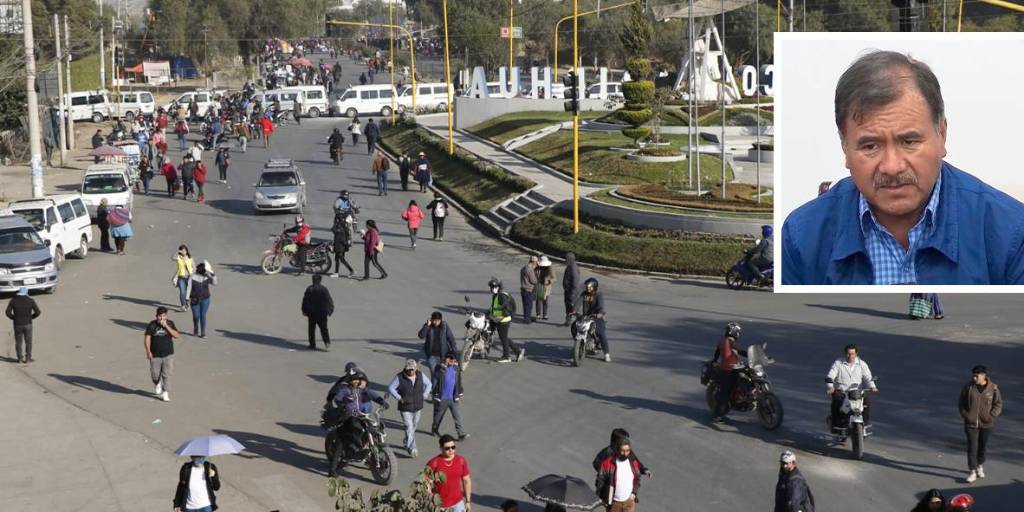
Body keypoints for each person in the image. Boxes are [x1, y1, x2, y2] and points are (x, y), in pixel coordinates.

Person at [781, 50, 1024, 285]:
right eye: (870, 146)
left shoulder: (1010, 232)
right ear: (845, 147)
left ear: (942, 134)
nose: (892, 167)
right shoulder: (801, 238)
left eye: (909, 142)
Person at [330, 370, 388, 460]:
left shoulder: (363, 390)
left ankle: (369, 448)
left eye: (359, 380)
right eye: (355, 380)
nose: (357, 381)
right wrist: (342, 405)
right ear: (350, 380)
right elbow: (338, 399)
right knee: (357, 429)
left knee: (376, 426)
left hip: (363, 415)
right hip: (350, 416)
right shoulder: (346, 390)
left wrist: (382, 401)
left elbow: (373, 394)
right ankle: (353, 450)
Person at [959, 365, 1002, 483]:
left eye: (976, 376)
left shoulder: (993, 388)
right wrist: (966, 415)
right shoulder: (968, 387)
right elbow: (961, 403)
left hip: (987, 424)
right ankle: (972, 471)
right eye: (973, 376)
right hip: (971, 424)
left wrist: (991, 416)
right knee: (972, 447)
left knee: (982, 447)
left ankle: (979, 465)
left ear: (983, 375)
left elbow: (998, 404)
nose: (974, 378)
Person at [388, 359, 433, 458]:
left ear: (416, 368)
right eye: (409, 369)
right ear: (405, 368)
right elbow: (391, 388)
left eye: (412, 369)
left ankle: (406, 441)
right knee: (409, 426)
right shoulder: (399, 377)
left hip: (417, 406)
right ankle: (412, 448)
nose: (411, 371)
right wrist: (399, 397)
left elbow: (429, 384)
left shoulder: (420, 375)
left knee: (414, 425)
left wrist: (425, 394)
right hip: (405, 407)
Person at [826, 343, 878, 429]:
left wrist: (872, 386)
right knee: (836, 401)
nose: (850, 356)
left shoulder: (862, 364)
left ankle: (864, 424)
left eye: (852, 354)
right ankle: (835, 424)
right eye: (848, 354)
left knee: (867, 401)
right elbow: (830, 376)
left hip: (857, 393)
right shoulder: (838, 363)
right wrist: (830, 387)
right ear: (845, 353)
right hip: (842, 392)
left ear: (856, 354)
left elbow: (868, 377)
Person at [710, 322, 748, 423]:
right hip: (728, 370)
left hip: (732, 368)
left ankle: (738, 400)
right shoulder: (730, 341)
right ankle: (717, 415)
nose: (738, 334)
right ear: (734, 332)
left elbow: (717, 352)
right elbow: (739, 351)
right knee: (725, 393)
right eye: (738, 332)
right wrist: (749, 354)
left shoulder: (722, 340)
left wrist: (714, 360)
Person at [594, 437, 643, 512]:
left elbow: (637, 478)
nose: (625, 454)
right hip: (614, 505)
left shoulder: (633, 462)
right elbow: (600, 480)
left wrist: (634, 493)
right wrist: (603, 498)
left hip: (629, 503)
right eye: (622, 451)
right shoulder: (607, 463)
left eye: (627, 451)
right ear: (617, 450)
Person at [426, 435, 472, 512]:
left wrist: (468, 501)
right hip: (440, 506)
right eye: (447, 448)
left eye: (453, 447)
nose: (451, 450)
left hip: (458, 503)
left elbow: (466, 480)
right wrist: (433, 503)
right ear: (441, 448)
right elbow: (426, 484)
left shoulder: (461, 461)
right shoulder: (433, 463)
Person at [144, 307, 179, 402]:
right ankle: (157, 383)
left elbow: (176, 335)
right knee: (155, 374)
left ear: (166, 316)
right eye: (160, 316)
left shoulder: (170, 323)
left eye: (164, 316)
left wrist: (166, 326)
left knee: (167, 374)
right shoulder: (152, 325)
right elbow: (147, 339)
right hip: (155, 355)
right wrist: (148, 352)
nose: (162, 318)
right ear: (156, 316)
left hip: (168, 354)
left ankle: (165, 392)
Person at [431, 352, 468, 440]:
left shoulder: (456, 368)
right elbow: (437, 375)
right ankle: (435, 429)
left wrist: (460, 392)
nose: (452, 361)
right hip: (442, 398)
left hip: (453, 397)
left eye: (454, 360)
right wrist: (444, 365)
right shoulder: (439, 368)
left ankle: (461, 434)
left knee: (457, 416)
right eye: (450, 359)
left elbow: (458, 380)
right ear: (446, 359)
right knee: (438, 417)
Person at [573, 278, 609, 362]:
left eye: (589, 287)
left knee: (600, 333)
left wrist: (600, 313)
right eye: (587, 287)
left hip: (596, 317)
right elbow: (578, 303)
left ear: (594, 287)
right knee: (574, 327)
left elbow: (601, 306)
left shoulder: (599, 294)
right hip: (586, 317)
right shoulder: (584, 294)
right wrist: (574, 310)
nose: (587, 288)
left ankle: (606, 354)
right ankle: (579, 344)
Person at [487, 278, 523, 363]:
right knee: (503, 337)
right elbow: (494, 308)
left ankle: (506, 356)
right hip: (497, 319)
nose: (492, 289)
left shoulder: (501, 296)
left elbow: (507, 309)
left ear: (499, 287)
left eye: (494, 287)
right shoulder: (496, 295)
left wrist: (500, 317)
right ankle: (517, 351)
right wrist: (488, 313)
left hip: (503, 320)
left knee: (503, 337)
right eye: (491, 287)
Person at [6, 287, 41, 364]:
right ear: (26, 293)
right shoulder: (30, 300)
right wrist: (31, 317)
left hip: (17, 324)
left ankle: (20, 359)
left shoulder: (13, 301)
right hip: (28, 324)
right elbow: (38, 312)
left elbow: (7, 312)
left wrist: (14, 318)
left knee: (18, 342)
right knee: (28, 341)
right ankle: (28, 358)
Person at [301, 274, 334, 350]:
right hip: (322, 313)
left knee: (311, 329)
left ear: (313, 280)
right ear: (320, 280)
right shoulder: (324, 289)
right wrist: (330, 310)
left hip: (312, 313)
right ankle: (327, 342)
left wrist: (304, 310)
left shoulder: (310, 289)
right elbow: (329, 300)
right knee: (324, 328)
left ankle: (312, 344)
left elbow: (305, 300)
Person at [186, 261, 216, 338]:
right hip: (194, 299)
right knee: (196, 316)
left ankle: (203, 333)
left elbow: (214, 283)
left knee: (203, 315)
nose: (206, 272)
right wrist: (187, 299)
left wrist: (213, 274)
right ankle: (196, 329)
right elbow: (189, 288)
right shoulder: (192, 277)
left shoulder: (207, 276)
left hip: (205, 299)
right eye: (205, 271)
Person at [330, 210, 355, 278]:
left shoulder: (340, 225)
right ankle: (337, 272)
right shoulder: (344, 225)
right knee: (338, 259)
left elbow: (333, 230)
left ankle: (351, 271)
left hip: (340, 246)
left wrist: (335, 224)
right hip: (341, 245)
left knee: (340, 259)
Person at [172, 245, 195, 312]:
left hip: (189, 277)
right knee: (182, 292)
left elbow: (194, 267)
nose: (183, 251)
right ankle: (183, 306)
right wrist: (177, 252)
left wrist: (193, 274)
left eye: (185, 250)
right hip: (181, 277)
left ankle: (187, 303)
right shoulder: (178, 257)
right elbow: (172, 257)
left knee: (188, 293)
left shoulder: (190, 258)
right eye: (182, 250)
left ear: (187, 250)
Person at [534, 256, 556, 321]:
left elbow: (554, 278)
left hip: (546, 286)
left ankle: (545, 314)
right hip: (539, 285)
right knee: (538, 300)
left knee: (545, 301)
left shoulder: (550, 268)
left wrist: (549, 281)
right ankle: (538, 314)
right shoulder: (537, 267)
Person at [562, 252, 581, 326]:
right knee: (568, 306)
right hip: (568, 290)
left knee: (573, 307)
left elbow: (575, 281)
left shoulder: (573, 268)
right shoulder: (569, 266)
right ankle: (568, 320)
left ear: (570, 259)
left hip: (572, 291)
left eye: (566, 259)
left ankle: (580, 321)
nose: (565, 260)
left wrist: (573, 293)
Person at [520, 256, 539, 324]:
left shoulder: (524, 268)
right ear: (533, 262)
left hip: (523, 288)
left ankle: (526, 317)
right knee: (529, 305)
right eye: (536, 263)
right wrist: (538, 280)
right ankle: (527, 320)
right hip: (528, 289)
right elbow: (533, 281)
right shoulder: (530, 269)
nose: (536, 264)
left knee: (525, 305)